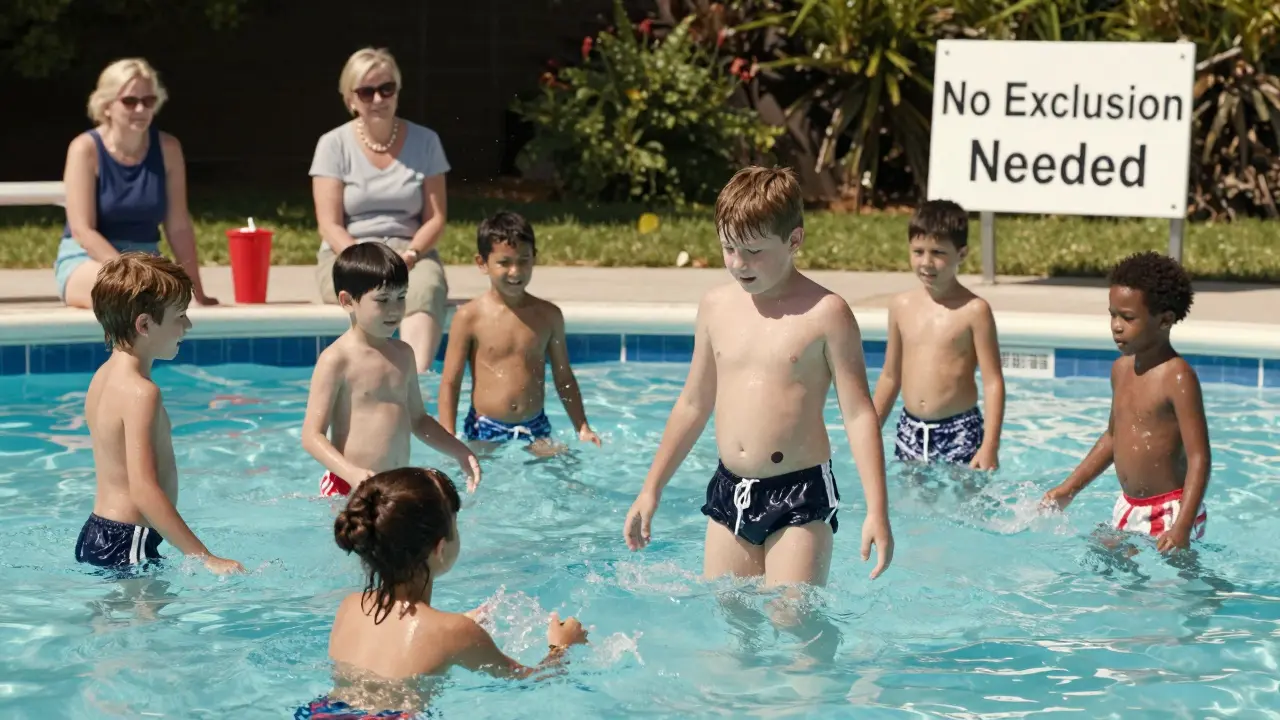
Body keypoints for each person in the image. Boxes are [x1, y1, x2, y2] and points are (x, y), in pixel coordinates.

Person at [621, 166, 894, 587]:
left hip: (799, 494)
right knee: (730, 614)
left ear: (794, 241)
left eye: (753, 251)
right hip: (729, 490)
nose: (738, 263)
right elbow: (693, 403)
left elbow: (858, 414)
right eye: (728, 247)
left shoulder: (825, 314)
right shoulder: (715, 307)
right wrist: (650, 488)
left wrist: (877, 510)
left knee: (793, 613)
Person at [297, 467, 590, 718]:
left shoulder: (350, 606)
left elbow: (396, 646)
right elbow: (531, 680)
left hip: (323, 712)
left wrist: (454, 627)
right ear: (439, 548)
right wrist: (561, 646)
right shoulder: (455, 632)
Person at [75, 253, 242, 575]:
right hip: (129, 540)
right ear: (145, 325)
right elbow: (144, 490)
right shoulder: (142, 393)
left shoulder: (103, 376)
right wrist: (207, 558)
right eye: (180, 315)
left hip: (98, 531)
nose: (187, 326)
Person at [1041, 251, 1208, 552]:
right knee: (1103, 558)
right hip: (1129, 505)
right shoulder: (1120, 370)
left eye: (1128, 318)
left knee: (1162, 581)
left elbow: (1199, 458)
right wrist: (1068, 489)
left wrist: (1183, 526)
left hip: (1171, 511)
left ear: (1165, 320)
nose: (1116, 325)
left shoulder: (1177, 377)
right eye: (1113, 314)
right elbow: (1112, 437)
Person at [310, 47, 451, 374]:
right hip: (348, 253)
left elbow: (436, 218)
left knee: (425, 288)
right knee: (369, 293)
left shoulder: (427, 141)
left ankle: (413, 381)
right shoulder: (332, 144)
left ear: (398, 91)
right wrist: (369, 262)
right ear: (350, 99)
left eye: (386, 89)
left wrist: (410, 256)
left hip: (411, 252)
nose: (378, 99)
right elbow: (329, 225)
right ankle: (370, 379)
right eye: (366, 91)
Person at [301, 243, 481, 498]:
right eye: (383, 300)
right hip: (347, 486)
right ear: (347, 301)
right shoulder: (337, 360)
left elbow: (418, 420)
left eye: (401, 297)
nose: (395, 309)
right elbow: (312, 436)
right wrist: (351, 473)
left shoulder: (404, 355)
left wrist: (459, 450)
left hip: (394, 485)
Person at [56, 58, 217, 310]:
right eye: (130, 101)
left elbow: (178, 226)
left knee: (164, 299)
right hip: (87, 260)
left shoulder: (168, 149)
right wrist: (131, 273)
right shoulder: (84, 149)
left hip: (147, 264)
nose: (141, 109)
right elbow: (82, 230)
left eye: (148, 101)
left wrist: (197, 291)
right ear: (106, 106)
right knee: (126, 294)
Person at [437, 211, 601, 452]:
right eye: (504, 262)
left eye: (523, 260)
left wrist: (582, 427)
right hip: (485, 427)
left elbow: (564, 378)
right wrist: (448, 435)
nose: (515, 271)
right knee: (477, 473)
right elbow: (451, 381)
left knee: (565, 468)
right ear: (482, 263)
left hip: (535, 426)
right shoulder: (469, 318)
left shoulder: (548, 316)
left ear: (534, 258)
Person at [871, 199, 1005, 469]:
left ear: (962, 254)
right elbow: (890, 376)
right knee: (910, 495)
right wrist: (869, 428)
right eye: (918, 251)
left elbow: (993, 382)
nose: (926, 262)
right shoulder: (900, 306)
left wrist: (990, 445)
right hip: (910, 429)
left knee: (964, 495)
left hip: (960, 429)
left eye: (938, 252)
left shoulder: (974, 310)